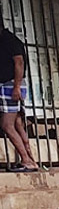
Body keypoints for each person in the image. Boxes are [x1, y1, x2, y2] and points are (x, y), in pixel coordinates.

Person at [0, 16, 37, 171]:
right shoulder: (6, 40)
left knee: (6, 125)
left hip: (10, 85)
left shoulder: (10, 41)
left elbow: (19, 62)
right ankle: (30, 159)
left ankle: (26, 160)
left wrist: (16, 86)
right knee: (17, 124)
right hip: (11, 85)